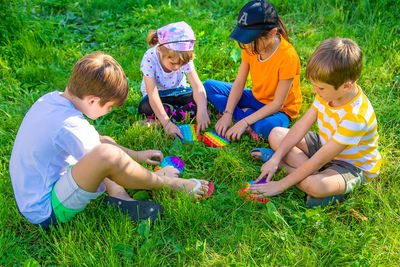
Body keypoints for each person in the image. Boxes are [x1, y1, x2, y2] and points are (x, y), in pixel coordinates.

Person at [9, 52, 213, 229]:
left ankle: (119, 189)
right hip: (45, 209)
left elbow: (96, 141)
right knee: (104, 155)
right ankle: (162, 186)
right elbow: (105, 158)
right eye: (108, 108)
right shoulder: (70, 125)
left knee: (102, 141)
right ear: (93, 101)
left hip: (34, 191)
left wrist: (136, 155)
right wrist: (159, 178)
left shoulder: (52, 99)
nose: (107, 113)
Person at [249, 37, 382, 207]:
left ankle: (289, 171)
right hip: (324, 145)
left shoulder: (356, 117)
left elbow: (318, 159)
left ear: (346, 86)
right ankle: (299, 173)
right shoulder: (326, 94)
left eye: (320, 87)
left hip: (350, 166)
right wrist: (276, 157)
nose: (314, 91)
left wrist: (279, 185)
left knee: (315, 185)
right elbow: (302, 126)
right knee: (276, 134)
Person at [204, 0, 302, 141]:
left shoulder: (287, 57)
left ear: (272, 33)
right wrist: (227, 113)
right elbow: (239, 82)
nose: (246, 44)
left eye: (250, 39)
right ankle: (249, 117)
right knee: (209, 86)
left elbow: (278, 103)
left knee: (267, 127)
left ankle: (247, 118)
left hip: (280, 110)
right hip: (256, 98)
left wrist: (244, 121)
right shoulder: (250, 48)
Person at [138, 21, 210, 138]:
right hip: (159, 96)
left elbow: (197, 86)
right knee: (145, 106)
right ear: (160, 50)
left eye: (182, 64)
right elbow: (152, 94)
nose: (177, 67)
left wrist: (201, 109)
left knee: (202, 101)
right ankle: (170, 118)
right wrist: (167, 123)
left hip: (179, 92)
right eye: (173, 63)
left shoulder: (181, 56)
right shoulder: (150, 57)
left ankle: (157, 122)